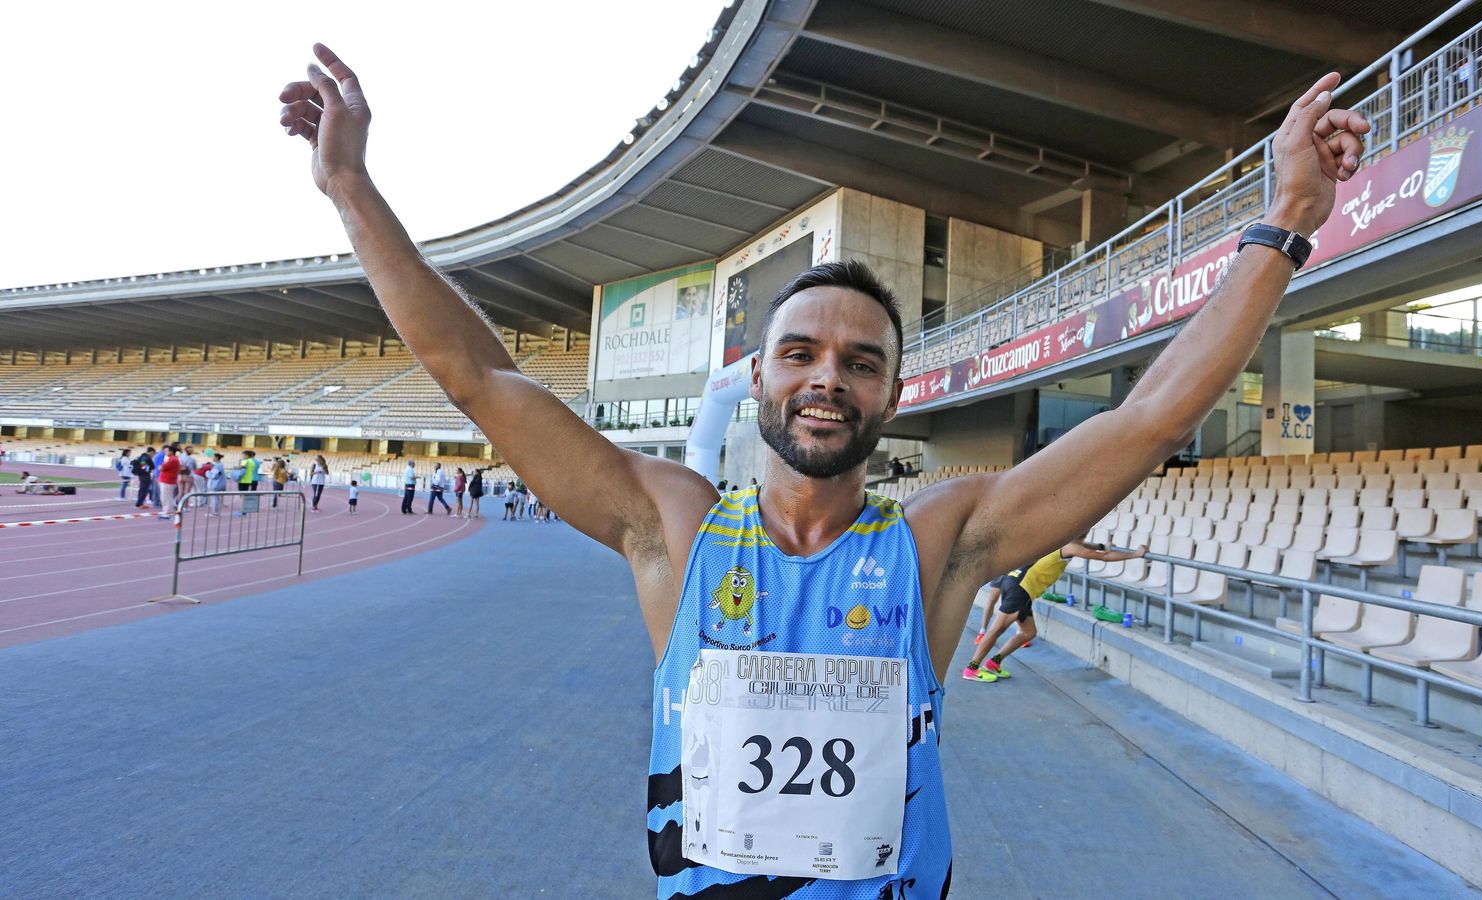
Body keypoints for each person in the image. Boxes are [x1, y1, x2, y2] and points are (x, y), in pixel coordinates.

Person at [281, 48, 1362, 895]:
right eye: (799, 354)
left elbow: (1149, 418)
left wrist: (1285, 220)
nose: (827, 379)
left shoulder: (939, 543)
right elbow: (478, 378)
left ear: (892, 395)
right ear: (757, 378)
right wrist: (348, 186)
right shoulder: (671, 526)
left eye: (860, 362)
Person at [964, 540, 1148, 683]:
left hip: (1020, 584)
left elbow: (1085, 545)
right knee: (997, 629)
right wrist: (1135, 554)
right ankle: (971, 669)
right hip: (1021, 587)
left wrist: (1100, 546)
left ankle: (994, 662)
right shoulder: (1069, 546)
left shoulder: (1061, 538)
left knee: (1028, 632)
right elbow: (1104, 557)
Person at [156, 445, 181, 519]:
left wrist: (161, 467)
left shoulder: (173, 460)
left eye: (167, 451)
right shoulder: (171, 459)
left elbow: (161, 467)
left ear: (171, 452)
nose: (165, 452)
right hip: (166, 480)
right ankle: (165, 512)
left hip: (167, 481)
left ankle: (167, 513)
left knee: (166, 498)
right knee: (165, 497)